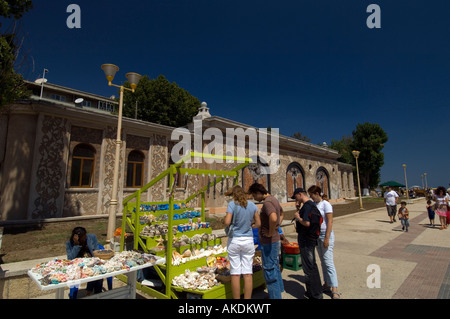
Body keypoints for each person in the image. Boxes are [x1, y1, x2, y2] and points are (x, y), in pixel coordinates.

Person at [248, 182, 284, 299]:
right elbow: (281, 213)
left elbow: (273, 218)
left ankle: (275, 296)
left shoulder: (267, 203)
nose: (254, 198)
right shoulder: (273, 199)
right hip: (274, 240)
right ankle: (278, 292)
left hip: (269, 241)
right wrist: (277, 228)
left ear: (258, 192)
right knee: (274, 266)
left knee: (269, 269)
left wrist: (270, 232)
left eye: (254, 196)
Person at [224, 185, 261, 299]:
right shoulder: (252, 205)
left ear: (234, 195)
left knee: (235, 273)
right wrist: (250, 226)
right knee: (248, 273)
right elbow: (258, 224)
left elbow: (227, 222)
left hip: (235, 240)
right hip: (248, 240)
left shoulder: (232, 205)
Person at [307, 185, 341, 299]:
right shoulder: (315, 205)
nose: (311, 198)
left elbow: (330, 222)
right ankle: (327, 283)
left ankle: (335, 288)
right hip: (317, 235)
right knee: (322, 261)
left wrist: (327, 238)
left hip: (326, 234)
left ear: (317, 193)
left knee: (328, 261)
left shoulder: (326, 204)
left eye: (312, 195)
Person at [292, 188, 323, 299]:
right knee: (312, 265)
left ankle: (315, 295)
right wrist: (298, 208)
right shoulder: (311, 205)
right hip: (311, 238)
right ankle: (314, 292)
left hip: (306, 239)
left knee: (309, 267)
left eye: (295, 197)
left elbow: (306, 223)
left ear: (300, 194)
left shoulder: (307, 206)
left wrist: (298, 218)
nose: (295, 199)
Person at [66, 227, 103, 297]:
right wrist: (77, 245)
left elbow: (97, 252)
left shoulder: (91, 238)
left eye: (85, 236)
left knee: (98, 272)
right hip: (78, 265)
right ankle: (90, 290)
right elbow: (70, 259)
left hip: (91, 261)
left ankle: (96, 293)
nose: (85, 238)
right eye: (83, 238)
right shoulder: (69, 243)